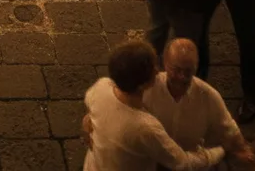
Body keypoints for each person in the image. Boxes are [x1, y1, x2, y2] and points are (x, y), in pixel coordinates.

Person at [83, 40, 228, 171]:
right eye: (153, 68)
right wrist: (219, 151)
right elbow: (182, 163)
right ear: (142, 85)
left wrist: (88, 120)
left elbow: (93, 108)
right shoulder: (145, 127)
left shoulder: (100, 87)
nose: (158, 71)